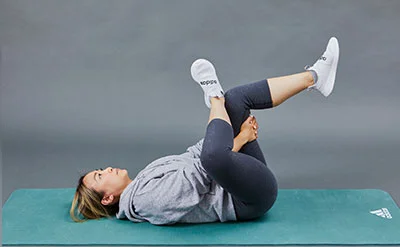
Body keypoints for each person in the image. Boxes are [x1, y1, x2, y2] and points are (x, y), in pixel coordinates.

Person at [70, 37, 340, 225]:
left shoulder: (144, 178)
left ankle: (315, 77)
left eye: (100, 169)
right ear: (107, 198)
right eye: (100, 176)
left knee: (235, 99)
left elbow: (196, 155)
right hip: (249, 199)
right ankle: (214, 98)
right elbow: (204, 171)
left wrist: (237, 137)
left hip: (241, 175)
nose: (106, 169)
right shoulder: (144, 202)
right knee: (214, 149)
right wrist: (240, 139)